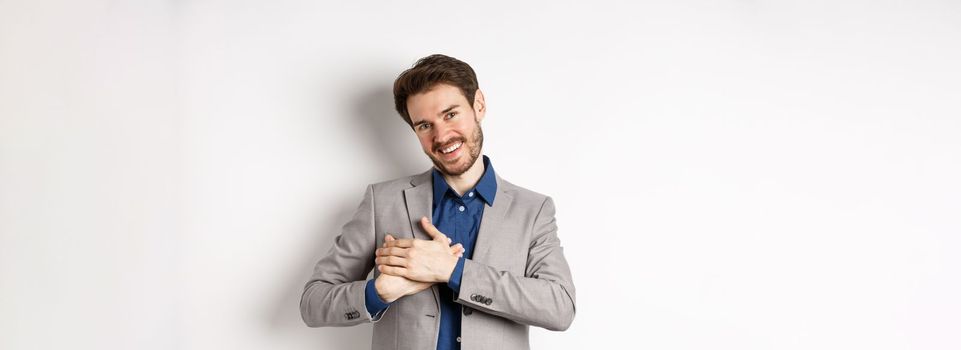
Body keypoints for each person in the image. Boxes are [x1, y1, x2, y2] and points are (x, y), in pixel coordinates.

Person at [300, 54, 576, 350]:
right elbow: (313, 302)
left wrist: (453, 271)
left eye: (450, 114)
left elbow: (560, 307)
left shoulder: (533, 210)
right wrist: (378, 291)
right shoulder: (382, 202)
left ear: (478, 105)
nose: (442, 135)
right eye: (424, 125)